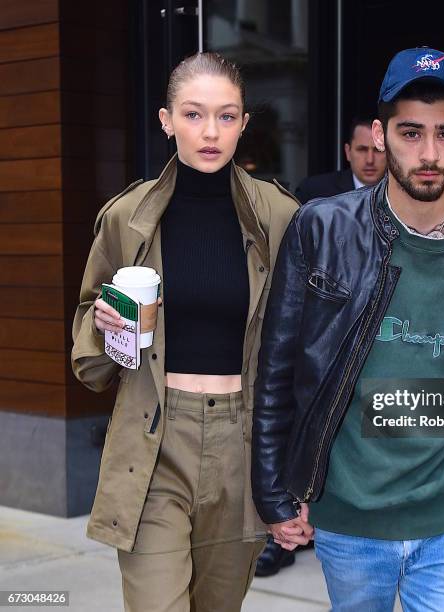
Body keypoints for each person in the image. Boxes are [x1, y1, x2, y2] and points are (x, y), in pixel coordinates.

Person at [252, 47, 444, 611]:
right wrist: (274, 491)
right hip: (350, 516)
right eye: (410, 133)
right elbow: (278, 368)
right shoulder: (323, 227)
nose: (429, 154)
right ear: (380, 135)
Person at [71, 52, 298, 612]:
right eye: (194, 115)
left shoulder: (281, 217)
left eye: (226, 116)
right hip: (153, 440)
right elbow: (88, 338)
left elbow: (302, 345)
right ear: (166, 119)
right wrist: (103, 326)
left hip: (242, 445)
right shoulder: (128, 216)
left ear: (245, 123)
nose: (211, 132)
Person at [256, 115, 387, 579]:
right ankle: (287, 535)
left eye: (377, 152)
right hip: (323, 325)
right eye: (362, 151)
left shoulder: (406, 202)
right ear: (350, 152)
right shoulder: (316, 194)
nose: (371, 159)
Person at [295, 117, 386, 204]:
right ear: (348, 152)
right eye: (362, 149)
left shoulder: (399, 195)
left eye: (378, 150)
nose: (370, 160)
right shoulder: (313, 192)